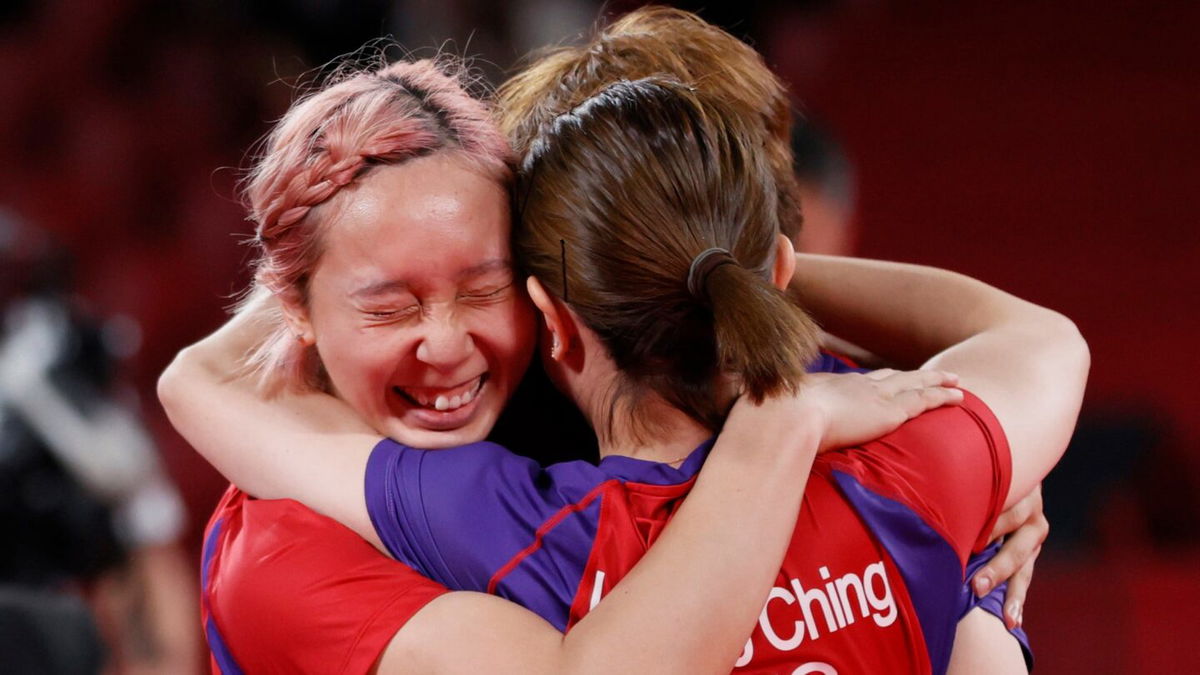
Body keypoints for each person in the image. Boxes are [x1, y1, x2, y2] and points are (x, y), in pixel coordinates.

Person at [160, 62, 1085, 675]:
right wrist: (727, 264)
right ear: (295, 307)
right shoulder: (280, 549)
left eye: (483, 289)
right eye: (388, 304)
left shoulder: (522, 510)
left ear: (546, 303)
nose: (443, 344)